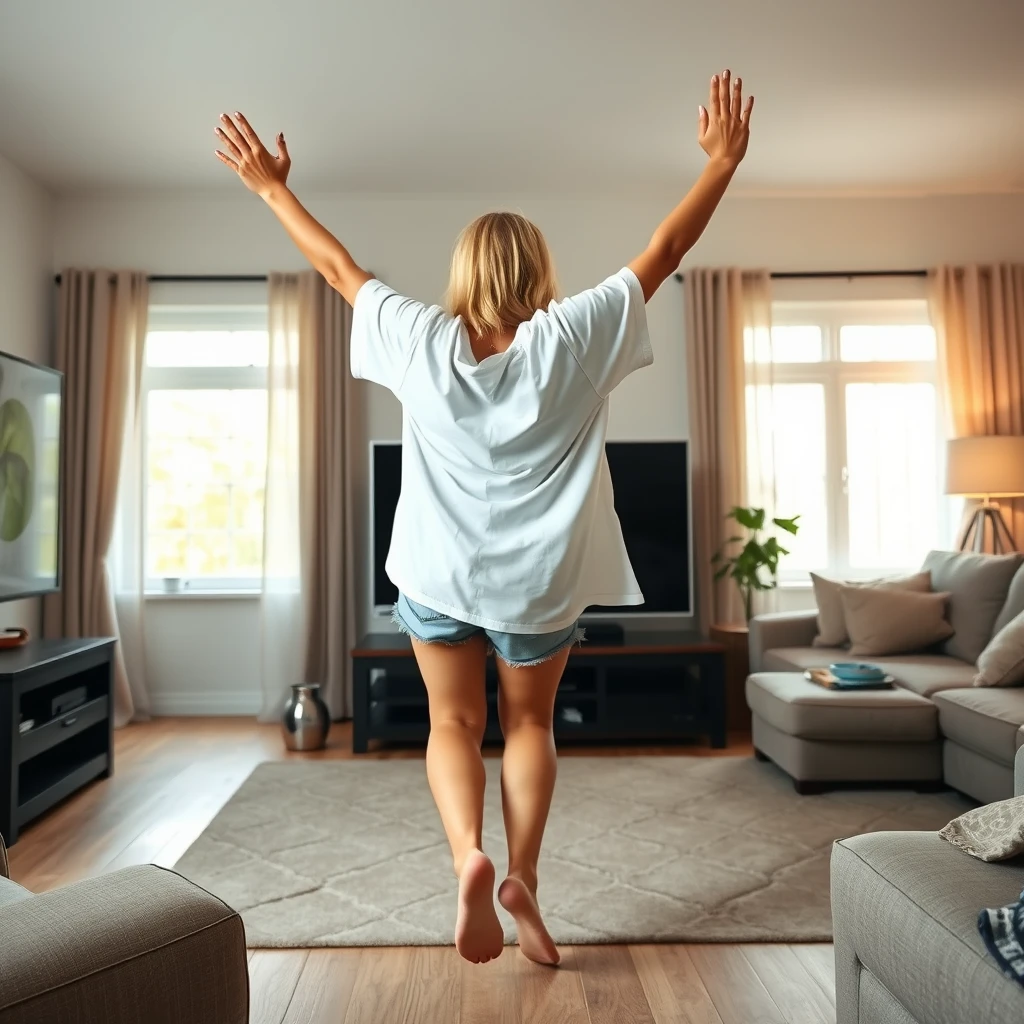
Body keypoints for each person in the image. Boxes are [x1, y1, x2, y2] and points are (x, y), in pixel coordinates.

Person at [214, 70, 752, 966]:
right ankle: (523, 882)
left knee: (451, 725)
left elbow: (337, 267)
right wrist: (722, 163)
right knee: (531, 726)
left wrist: (273, 187)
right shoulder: (572, 338)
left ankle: (470, 855)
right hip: (536, 589)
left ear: (462, 271)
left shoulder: (419, 338)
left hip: (437, 575)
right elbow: (665, 248)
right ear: (540, 271)